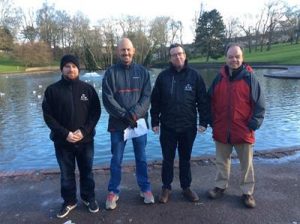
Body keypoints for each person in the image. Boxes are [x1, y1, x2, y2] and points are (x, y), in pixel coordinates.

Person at [207, 43, 265, 208]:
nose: (234, 60)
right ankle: (220, 186)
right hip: (222, 129)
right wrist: (212, 121)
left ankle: (247, 192)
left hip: (243, 129)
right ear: (226, 58)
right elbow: (209, 100)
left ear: (242, 58)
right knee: (221, 161)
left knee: (246, 164)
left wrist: (254, 123)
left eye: (237, 56)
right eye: (231, 57)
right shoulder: (219, 78)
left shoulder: (250, 78)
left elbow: (260, 104)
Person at [42, 54, 101, 218]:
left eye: (74, 66)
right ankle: (69, 201)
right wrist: (65, 133)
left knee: (87, 171)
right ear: (62, 69)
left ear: (78, 69)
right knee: (66, 173)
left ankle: (89, 198)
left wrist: (84, 131)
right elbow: (48, 116)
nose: (71, 69)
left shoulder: (87, 89)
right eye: (67, 66)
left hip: (86, 140)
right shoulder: (52, 90)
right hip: (62, 142)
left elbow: (95, 113)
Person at [150, 43, 209, 203]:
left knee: (185, 158)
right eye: (174, 54)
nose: (178, 56)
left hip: (188, 126)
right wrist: (154, 121)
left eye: (180, 53)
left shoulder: (195, 76)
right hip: (168, 126)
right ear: (170, 58)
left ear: (185, 55)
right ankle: (166, 187)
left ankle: (186, 187)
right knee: (167, 159)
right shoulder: (163, 77)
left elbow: (203, 101)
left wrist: (204, 121)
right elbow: (155, 101)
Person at [102, 38, 154, 210]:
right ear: (118, 52)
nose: (126, 53)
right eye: (122, 50)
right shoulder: (110, 73)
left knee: (141, 158)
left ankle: (145, 188)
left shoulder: (143, 72)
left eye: (128, 50)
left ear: (134, 51)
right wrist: (125, 115)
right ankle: (113, 191)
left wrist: (134, 114)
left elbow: (147, 97)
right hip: (118, 124)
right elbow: (107, 99)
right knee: (116, 159)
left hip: (138, 123)